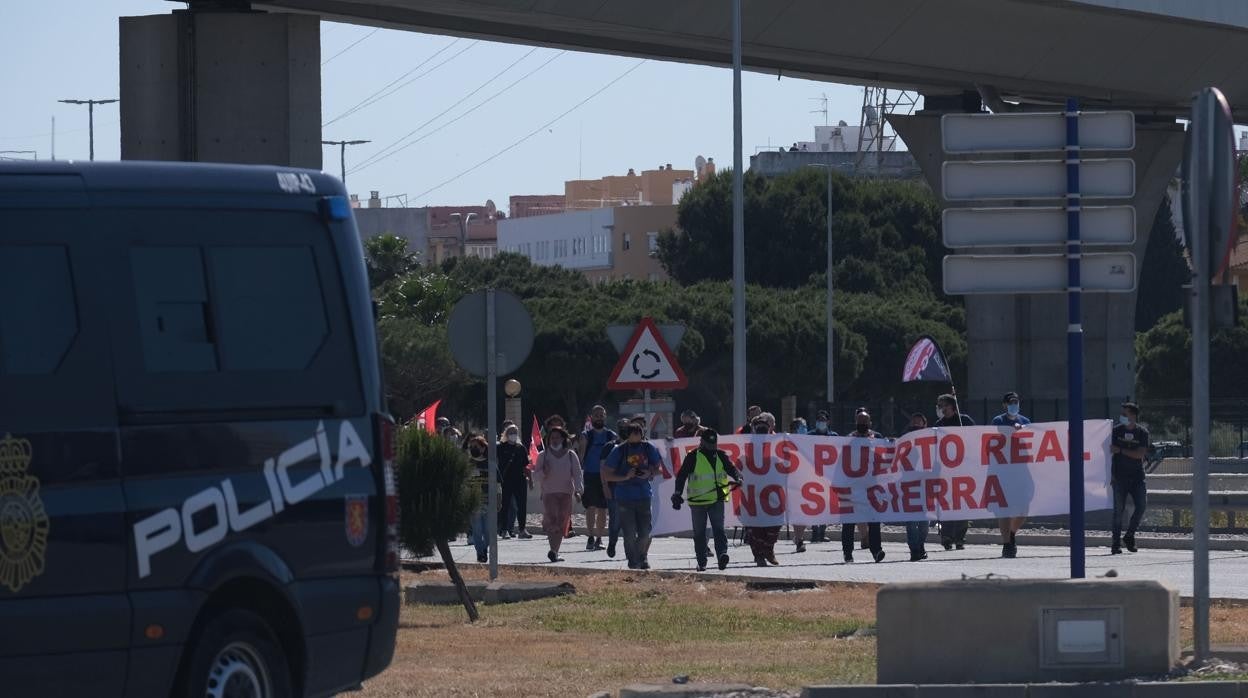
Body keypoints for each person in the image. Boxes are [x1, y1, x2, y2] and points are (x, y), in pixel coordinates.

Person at [672, 429, 742, 571]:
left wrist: (738, 478)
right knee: (700, 533)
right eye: (709, 444)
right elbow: (681, 476)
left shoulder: (721, 455)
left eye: (714, 443)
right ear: (702, 442)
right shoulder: (692, 457)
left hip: (717, 499)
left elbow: (732, 469)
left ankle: (722, 555)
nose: (712, 447)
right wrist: (677, 493)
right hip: (697, 503)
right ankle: (702, 561)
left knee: (719, 530)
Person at [603, 422, 663, 569]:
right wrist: (625, 477)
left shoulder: (649, 448)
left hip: (644, 495)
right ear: (628, 435)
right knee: (629, 532)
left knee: (645, 531)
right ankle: (633, 559)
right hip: (624, 496)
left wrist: (649, 473)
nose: (637, 435)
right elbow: (607, 474)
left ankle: (641, 555)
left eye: (639, 432)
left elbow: (659, 469)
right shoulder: (619, 451)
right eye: (633, 433)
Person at [992, 392, 1032, 558]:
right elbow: (997, 436)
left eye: (1016, 402)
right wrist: (1011, 432)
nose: (1014, 405)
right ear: (1004, 405)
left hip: (1022, 470)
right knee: (1004, 509)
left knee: (1024, 509)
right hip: (1003, 470)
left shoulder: (1026, 421)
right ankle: (1007, 543)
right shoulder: (998, 420)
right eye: (1010, 402)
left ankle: (1012, 533)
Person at [842, 409, 885, 563]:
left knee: (874, 521)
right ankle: (848, 553)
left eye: (865, 422)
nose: (862, 425)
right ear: (856, 423)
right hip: (852, 487)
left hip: (872, 487)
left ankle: (876, 550)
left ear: (870, 423)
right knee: (849, 522)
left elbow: (885, 455)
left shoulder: (877, 438)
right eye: (860, 422)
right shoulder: (848, 439)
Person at [535, 426, 583, 562]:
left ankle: (555, 551)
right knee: (552, 521)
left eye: (557, 437)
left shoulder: (570, 455)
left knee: (562, 522)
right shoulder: (543, 455)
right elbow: (536, 475)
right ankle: (553, 550)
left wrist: (579, 491)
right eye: (552, 437)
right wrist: (544, 471)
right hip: (549, 493)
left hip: (566, 493)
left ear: (563, 438)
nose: (555, 440)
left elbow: (578, 474)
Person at [934, 393, 975, 550]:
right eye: (939, 406)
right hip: (945, 470)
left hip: (964, 468)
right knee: (946, 502)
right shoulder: (939, 424)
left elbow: (976, 438)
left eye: (943, 405)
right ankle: (946, 535)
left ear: (952, 406)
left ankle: (959, 537)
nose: (941, 409)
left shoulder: (964, 421)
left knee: (962, 503)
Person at [742, 415, 783, 566]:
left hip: (772, 491)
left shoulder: (777, 443)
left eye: (764, 428)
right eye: (759, 428)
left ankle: (768, 550)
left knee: (775, 522)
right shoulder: (744, 444)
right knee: (755, 526)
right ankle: (758, 555)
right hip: (752, 491)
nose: (762, 431)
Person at [1111, 402, 1149, 554]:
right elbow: (1108, 452)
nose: (1123, 417)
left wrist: (1120, 449)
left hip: (1137, 477)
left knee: (1141, 506)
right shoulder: (1116, 431)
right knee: (1118, 511)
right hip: (1119, 477)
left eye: (1125, 414)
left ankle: (1129, 536)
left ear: (1133, 416)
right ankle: (1115, 544)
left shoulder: (1142, 433)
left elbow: (1140, 454)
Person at [578, 405, 617, 552]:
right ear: (592, 417)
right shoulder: (586, 435)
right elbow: (581, 456)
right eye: (596, 415)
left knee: (603, 508)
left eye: (602, 415)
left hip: (606, 476)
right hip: (590, 475)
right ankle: (590, 536)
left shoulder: (611, 436)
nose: (599, 417)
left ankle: (599, 538)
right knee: (590, 507)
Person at [600, 418, 631, 559]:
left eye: (627, 427)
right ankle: (612, 542)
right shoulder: (609, 447)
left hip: (632, 488)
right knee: (616, 520)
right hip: (614, 488)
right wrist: (605, 485)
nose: (625, 430)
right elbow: (603, 468)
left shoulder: (636, 446)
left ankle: (629, 550)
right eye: (622, 427)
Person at [902, 412, 931, 561]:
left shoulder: (931, 440)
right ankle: (914, 549)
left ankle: (920, 545)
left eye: (919, 422)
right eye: (914, 422)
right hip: (909, 485)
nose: (916, 424)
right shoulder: (905, 440)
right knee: (912, 520)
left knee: (925, 521)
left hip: (926, 485)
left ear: (924, 424)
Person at [497, 423, 532, 539]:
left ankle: (522, 529)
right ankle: (504, 530)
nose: (513, 434)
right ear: (506, 434)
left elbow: (526, 466)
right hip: (506, 480)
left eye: (515, 432)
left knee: (522, 505)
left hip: (520, 480)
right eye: (511, 432)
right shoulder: (501, 447)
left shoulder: (521, 448)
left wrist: (530, 480)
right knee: (505, 505)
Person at [465, 435, 497, 563]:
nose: (473, 449)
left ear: (483, 448)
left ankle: (484, 548)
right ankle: (481, 552)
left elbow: (498, 482)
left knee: (489, 531)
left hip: (488, 500)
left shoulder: (490, 463)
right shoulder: (468, 464)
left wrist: (498, 500)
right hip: (474, 501)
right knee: (477, 530)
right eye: (471, 447)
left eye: (476, 446)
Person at [807, 411, 837, 544]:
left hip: (828, 475)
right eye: (819, 420)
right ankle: (814, 531)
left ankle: (822, 531)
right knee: (814, 503)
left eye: (823, 420)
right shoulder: (809, 436)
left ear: (828, 422)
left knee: (826, 504)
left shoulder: (834, 437)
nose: (821, 422)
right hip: (813, 474)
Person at [788, 417, 811, 552]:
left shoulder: (810, 442)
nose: (805, 429)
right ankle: (799, 539)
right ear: (794, 429)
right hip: (792, 482)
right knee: (797, 512)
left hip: (807, 481)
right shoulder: (786, 441)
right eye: (802, 427)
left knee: (804, 512)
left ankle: (798, 537)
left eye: (805, 426)